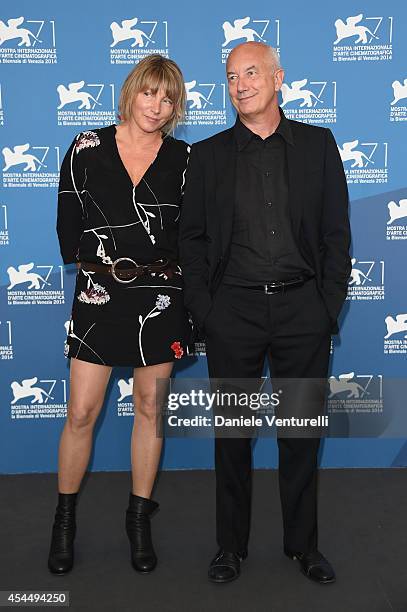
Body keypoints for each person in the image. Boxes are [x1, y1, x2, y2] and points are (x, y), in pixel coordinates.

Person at [179, 42, 351, 584]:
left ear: (278, 77)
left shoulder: (319, 146)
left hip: (304, 310)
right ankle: (230, 547)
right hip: (234, 313)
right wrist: (208, 311)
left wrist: (326, 307)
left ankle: (303, 546)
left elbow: (335, 234)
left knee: (301, 434)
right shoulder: (205, 155)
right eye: (232, 77)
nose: (241, 84)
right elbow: (193, 240)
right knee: (233, 435)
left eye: (252, 72)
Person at [50, 54, 191, 575]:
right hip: (98, 296)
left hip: (160, 298)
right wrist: (91, 266)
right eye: (149, 93)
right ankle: (64, 520)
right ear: (132, 91)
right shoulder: (86, 147)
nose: (157, 105)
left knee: (150, 413)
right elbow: (68, 215)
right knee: (81, 413)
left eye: (168, 98)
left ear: (176, 107)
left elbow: (192, 232)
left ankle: (139, 520)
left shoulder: (183, 158)